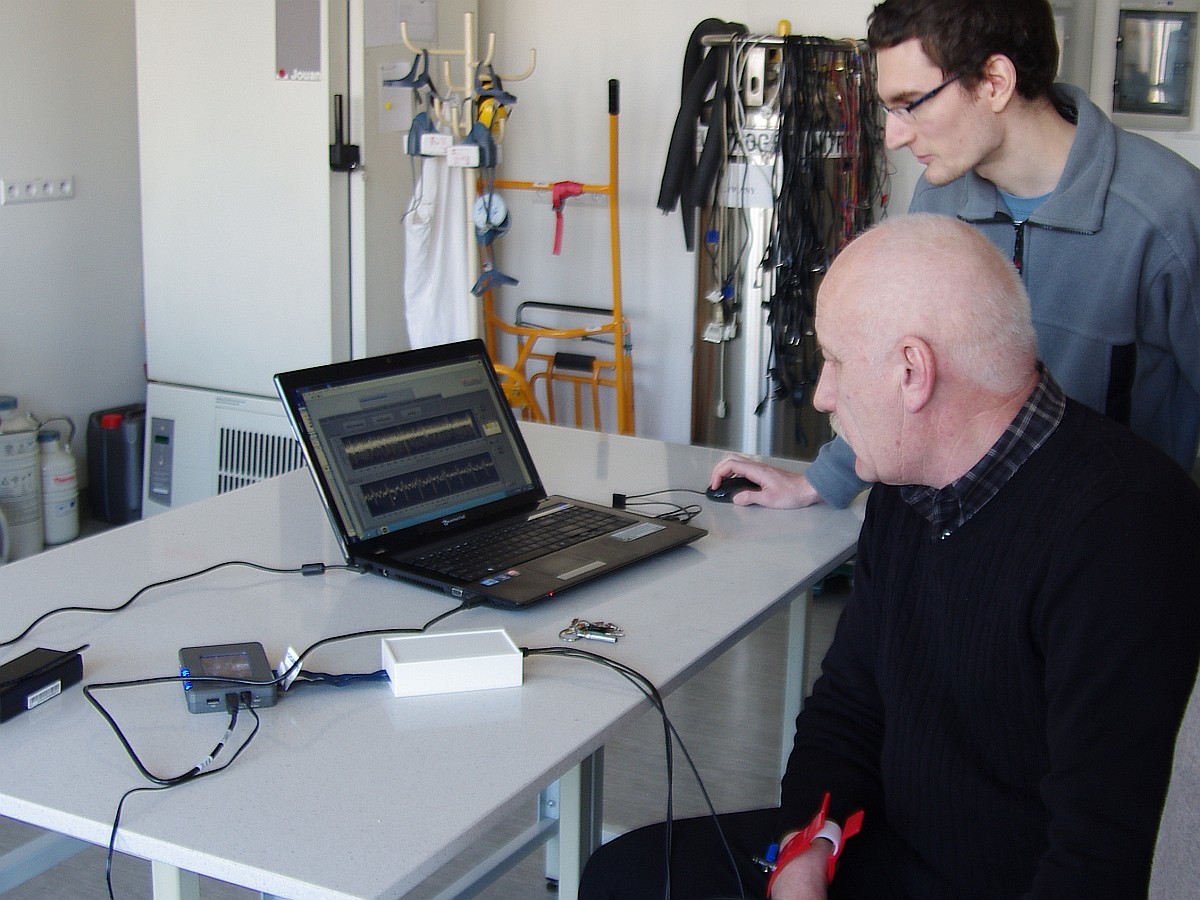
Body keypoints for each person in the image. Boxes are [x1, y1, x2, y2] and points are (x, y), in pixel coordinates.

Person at [580, 214, 1200, 899]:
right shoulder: (908, 485)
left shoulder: (1127, 530)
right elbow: (849, 705)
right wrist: (803, 855)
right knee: (626, 875)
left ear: (912, 372)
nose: (823, 394)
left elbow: (1099, 855)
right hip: (888, 847)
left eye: (836, 361)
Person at [715, 0, 1200, 511]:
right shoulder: (938, 197)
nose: (894, 136)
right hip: (957, 524)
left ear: (995, 82)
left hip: (1105, 537)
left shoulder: (1169, 213)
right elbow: (892, 367)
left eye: (911, 104)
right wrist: (821, 481)